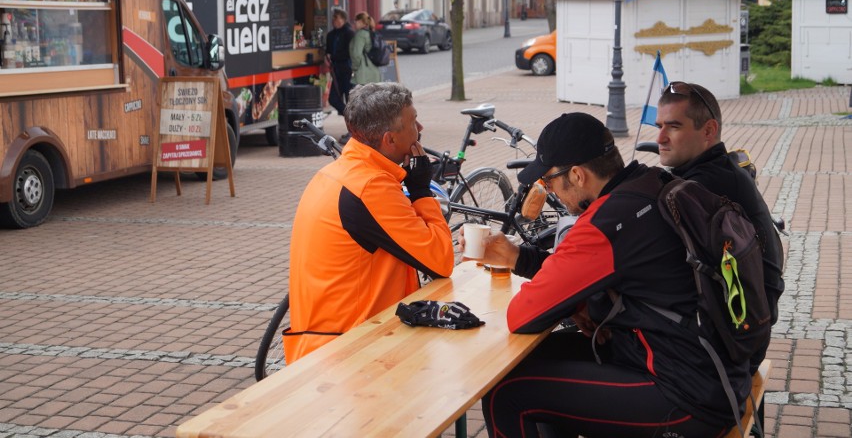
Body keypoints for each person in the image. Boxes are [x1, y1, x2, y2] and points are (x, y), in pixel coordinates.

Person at [477, 113, 752, 437]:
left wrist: (576, 303)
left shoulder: (605, 225)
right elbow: (602, 276)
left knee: (505, 393)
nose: (550, 191)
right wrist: (532, 268)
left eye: (549, 182)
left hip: (687, 397)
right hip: (712, 369)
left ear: (577, 175)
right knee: (528, 366)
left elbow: (522, 316)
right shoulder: (651, 183)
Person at [284, 82, 454, 364]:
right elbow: (441, 259)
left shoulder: (337, 172)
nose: (420, 128)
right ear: (389, 140)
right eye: (413, 122)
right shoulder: (371, 187)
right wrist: (422, 192)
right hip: (350, 355)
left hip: (325, 344)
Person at [656, 81, 784, 374]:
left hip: (734, 345)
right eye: (659, 125)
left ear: (709, 131)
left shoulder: (703, 188)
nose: (660, 137)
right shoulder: (720, 170)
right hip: (748, 330)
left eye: (673, 126)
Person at [325, 9, 355, 116]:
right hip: (336, 71)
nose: (334, 21)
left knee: (350, 99)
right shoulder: (331, 35)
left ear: (343, 19)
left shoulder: (349, 33)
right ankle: (350, 117)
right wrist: (327, 56)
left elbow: (350, 53)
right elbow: (328, 51)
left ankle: (352, 125)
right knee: (333, 99)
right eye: (333, 18)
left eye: (336, 18)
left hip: (347, 70)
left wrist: (333, 56)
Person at [349, 11, 381, 86]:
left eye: (355, 21)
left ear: (360, 21)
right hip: (374, 73)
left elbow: (356, 54)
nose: (354, 24)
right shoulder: (371, 33)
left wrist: (354, 68)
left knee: (361, 97)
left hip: (363, 75)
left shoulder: (360, 35)